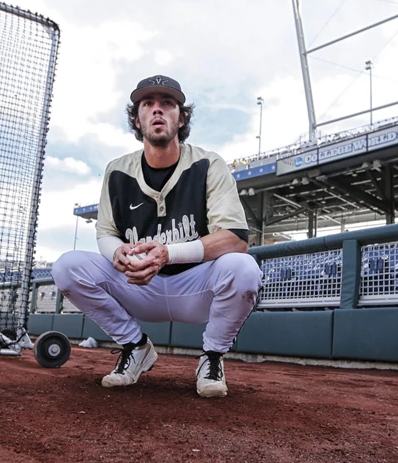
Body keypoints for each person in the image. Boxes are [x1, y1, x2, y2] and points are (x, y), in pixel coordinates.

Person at [52, 75, 261, 398]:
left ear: (182, 117)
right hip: (138, 286)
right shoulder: (118, 170)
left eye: (168, 103)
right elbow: (106, 232)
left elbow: (235, 239)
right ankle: (135, 347)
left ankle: (212, 356)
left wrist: (167, 253)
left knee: (244, 269)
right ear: (137, 119)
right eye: (147, 104)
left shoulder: (208, 164)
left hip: (196, 287)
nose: (157, 110)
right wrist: (117, 253)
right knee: (67, 267)